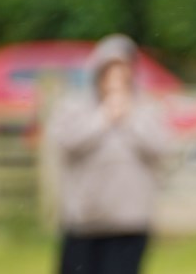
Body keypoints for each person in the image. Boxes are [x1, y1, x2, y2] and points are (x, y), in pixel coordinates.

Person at [49, 34, 174, 274]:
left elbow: (159, 147)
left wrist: (129, 118)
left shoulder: (146, 109)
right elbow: (67, 142)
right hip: (85, 223)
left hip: (130, 222)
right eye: (110, 71)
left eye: (123, 70)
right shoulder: (75, 107)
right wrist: (104, 117)